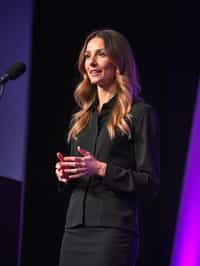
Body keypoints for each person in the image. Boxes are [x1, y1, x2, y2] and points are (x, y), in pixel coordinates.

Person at [55, 29, 160, 266]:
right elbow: (78, 175)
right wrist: (65, 175)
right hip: (73, 230)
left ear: (119, 61)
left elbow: (150, 184)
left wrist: (101, 169)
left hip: (112, 233)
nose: (91, 62)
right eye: (87, 55)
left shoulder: (140, 114)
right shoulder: (80, 119)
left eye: (100, 54)